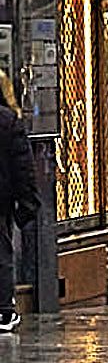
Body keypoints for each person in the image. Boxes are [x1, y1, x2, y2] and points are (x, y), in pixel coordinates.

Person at [0, 74, 34, 334]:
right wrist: (26, 201)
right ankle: (3, 310)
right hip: (2, 199)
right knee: (2, 251)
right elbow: (22, 167)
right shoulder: (9, 121)